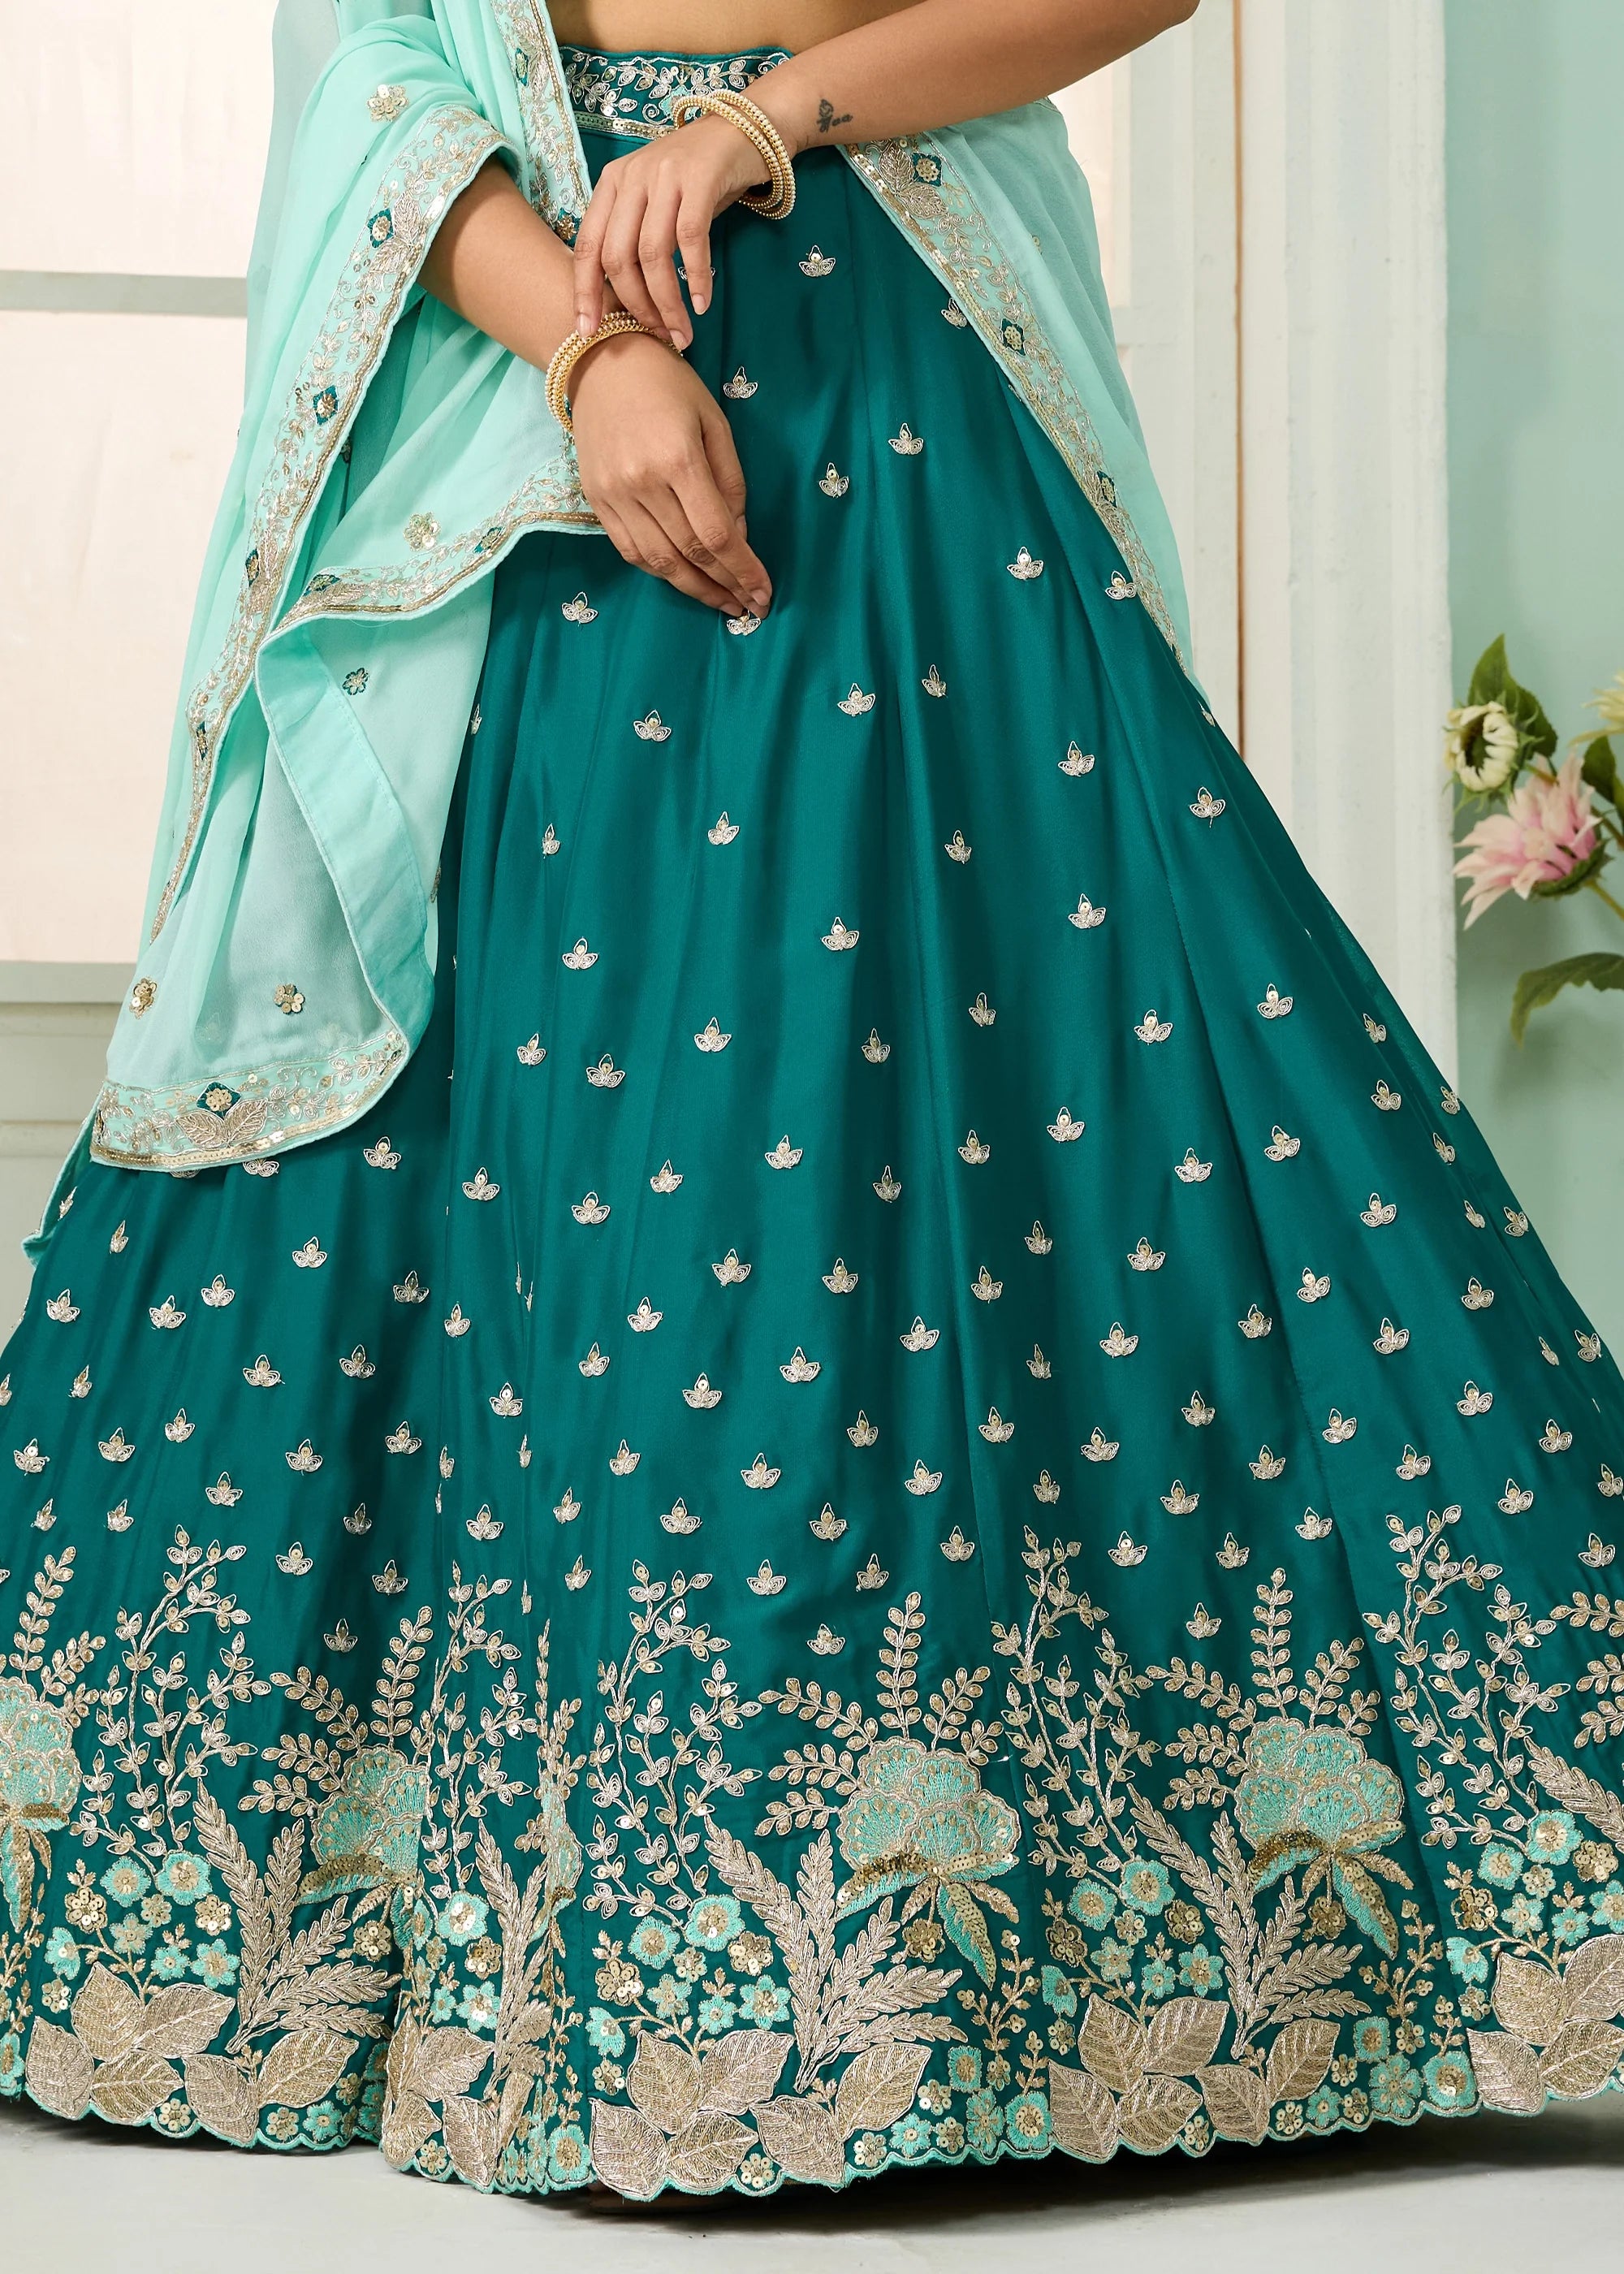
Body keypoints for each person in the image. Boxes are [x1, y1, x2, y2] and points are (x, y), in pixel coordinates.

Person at [2, 0, 1620, 2205]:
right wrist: (587, 352)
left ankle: (1033, 1958)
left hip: (892, 358)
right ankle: (453, 1933)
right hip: (534, 376)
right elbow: (377, 55)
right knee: (519, 1108)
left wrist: (763, 122)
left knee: (1042, 1085)